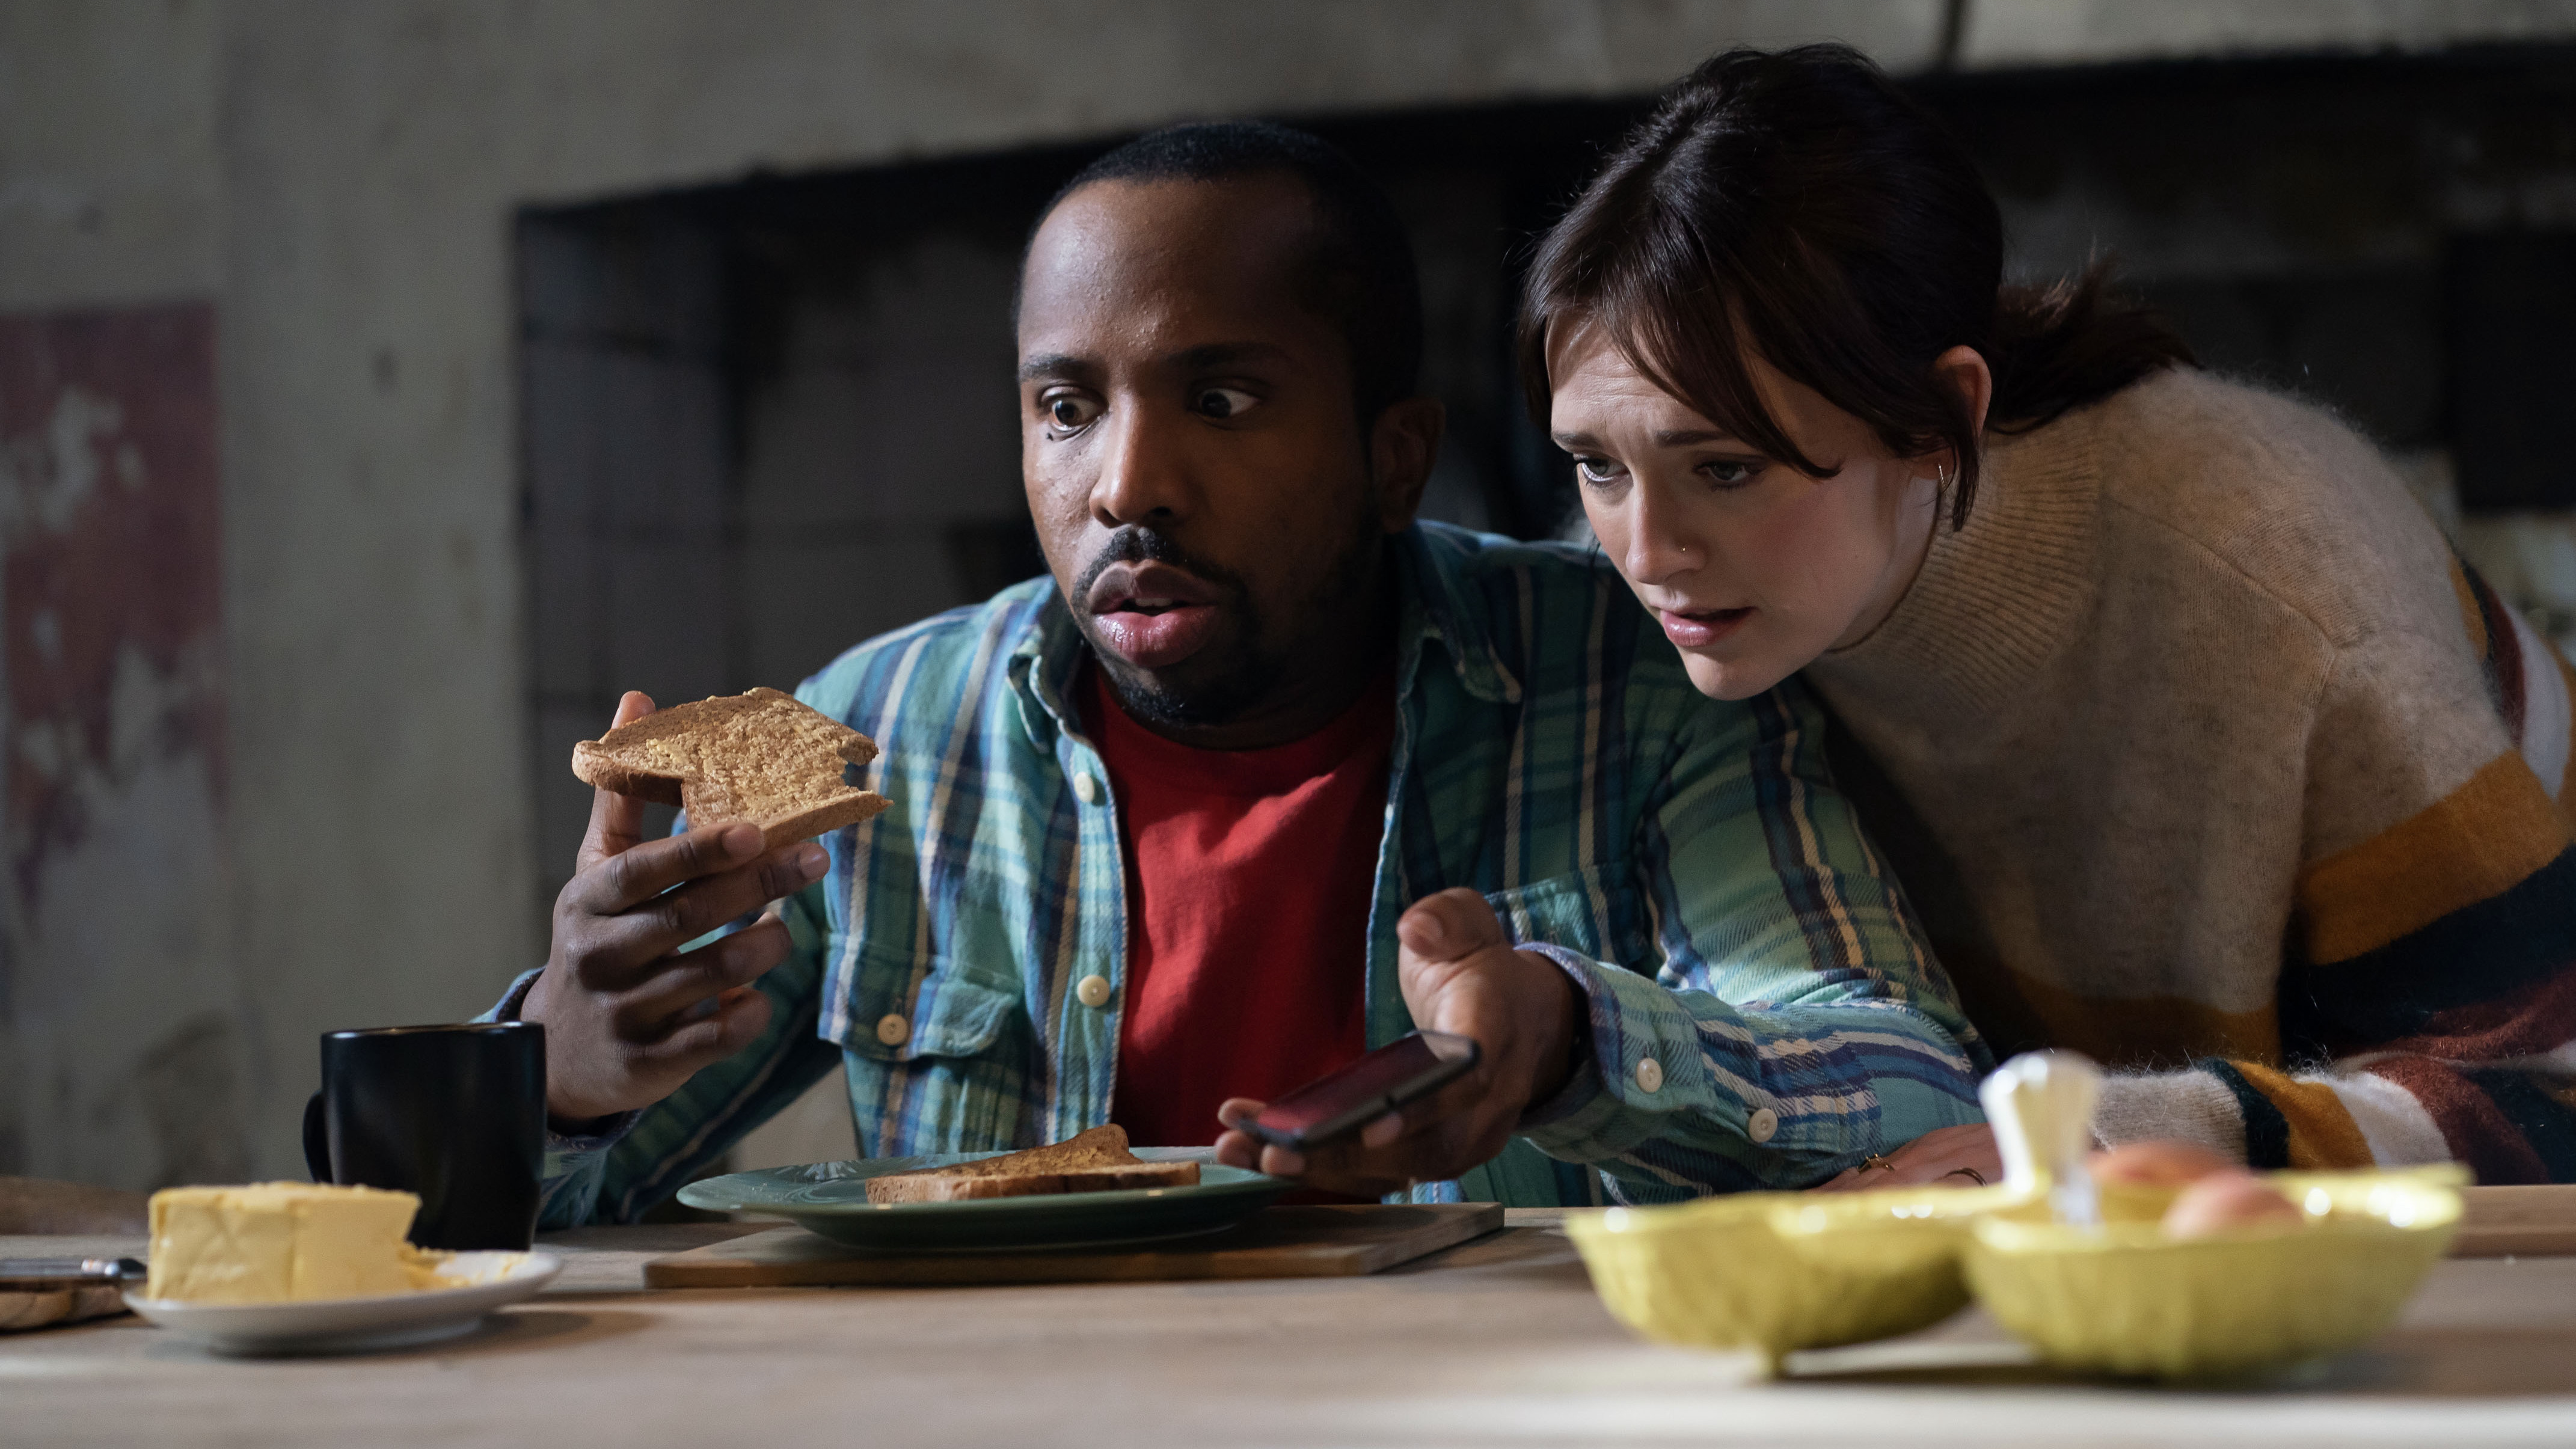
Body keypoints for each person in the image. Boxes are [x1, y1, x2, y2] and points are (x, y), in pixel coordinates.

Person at [503, 121, 1989, 1222]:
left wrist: (1567, 1035)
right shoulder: (884, 734)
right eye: (1068, 408)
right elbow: (477, 1227)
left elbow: (1913, 1085)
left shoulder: (1639, 670)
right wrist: (558, 1076)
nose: (1126, 484)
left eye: (1221, 398)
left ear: (1392, 454)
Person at [1519, 45, 2576, 1186]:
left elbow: (2543, 1099)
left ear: (1939, 419)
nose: (1643, 552)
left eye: (1724, 470)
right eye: (1595, 464)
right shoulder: (1659, 613)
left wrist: (2098, 1144)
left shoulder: (2284, 586)